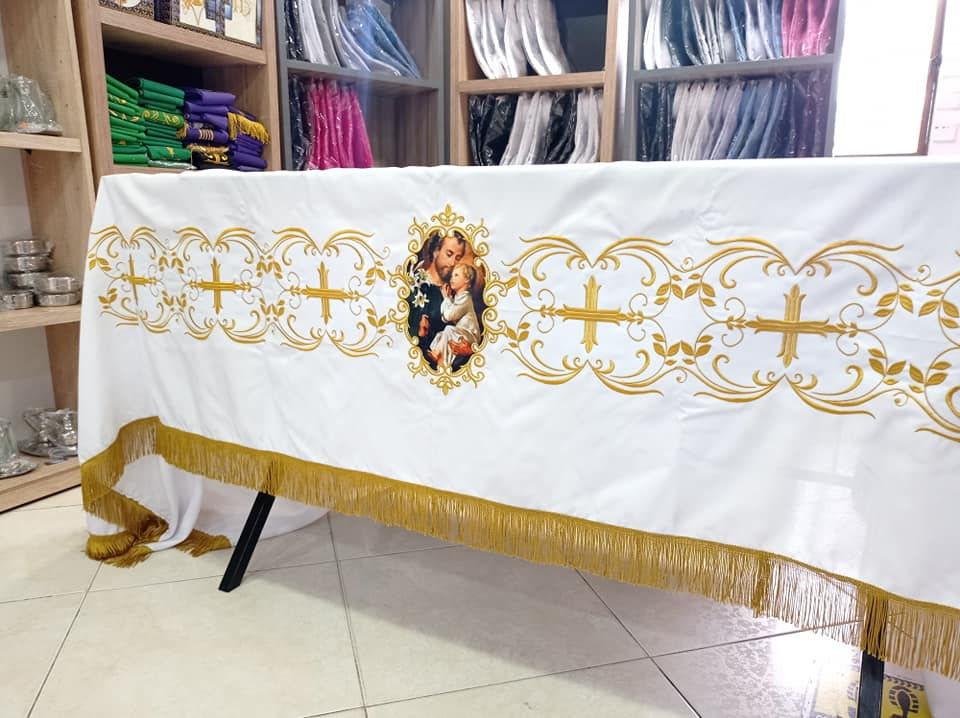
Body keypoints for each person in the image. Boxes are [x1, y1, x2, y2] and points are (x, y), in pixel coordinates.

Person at [406, 230, 477, 370]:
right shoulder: (416, 286)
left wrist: (469, 351)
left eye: (458, 258)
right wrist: (419, 333)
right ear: (435, 251)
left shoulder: (454, 292)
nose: (452, 263)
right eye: (449, 254)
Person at [428, 263, 480, 368]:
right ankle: (438, 357)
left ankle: (441, 360)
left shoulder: (466, 298)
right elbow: (444, 317)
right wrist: (447, 298)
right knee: (441, 335)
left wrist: (447, 299)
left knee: (449, 330)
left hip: (470, 336)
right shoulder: (457, 298)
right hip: (460, 333)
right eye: (451, 276)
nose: (452, 279)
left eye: (456, 275)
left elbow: (448, 316)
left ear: (467, 280)